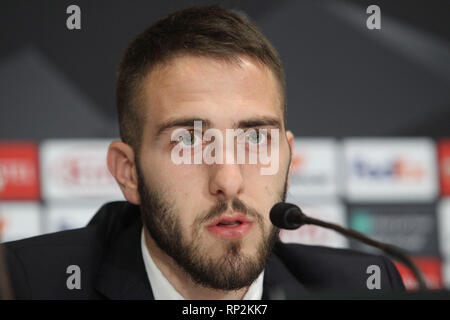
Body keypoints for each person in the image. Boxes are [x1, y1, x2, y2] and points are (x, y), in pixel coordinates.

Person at [4, 5, 404, 299]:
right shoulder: (25, 285)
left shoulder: (365, 287)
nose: (228, 181)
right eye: (189, 142)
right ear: (128, 172)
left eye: (255, 139)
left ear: (286, 154)